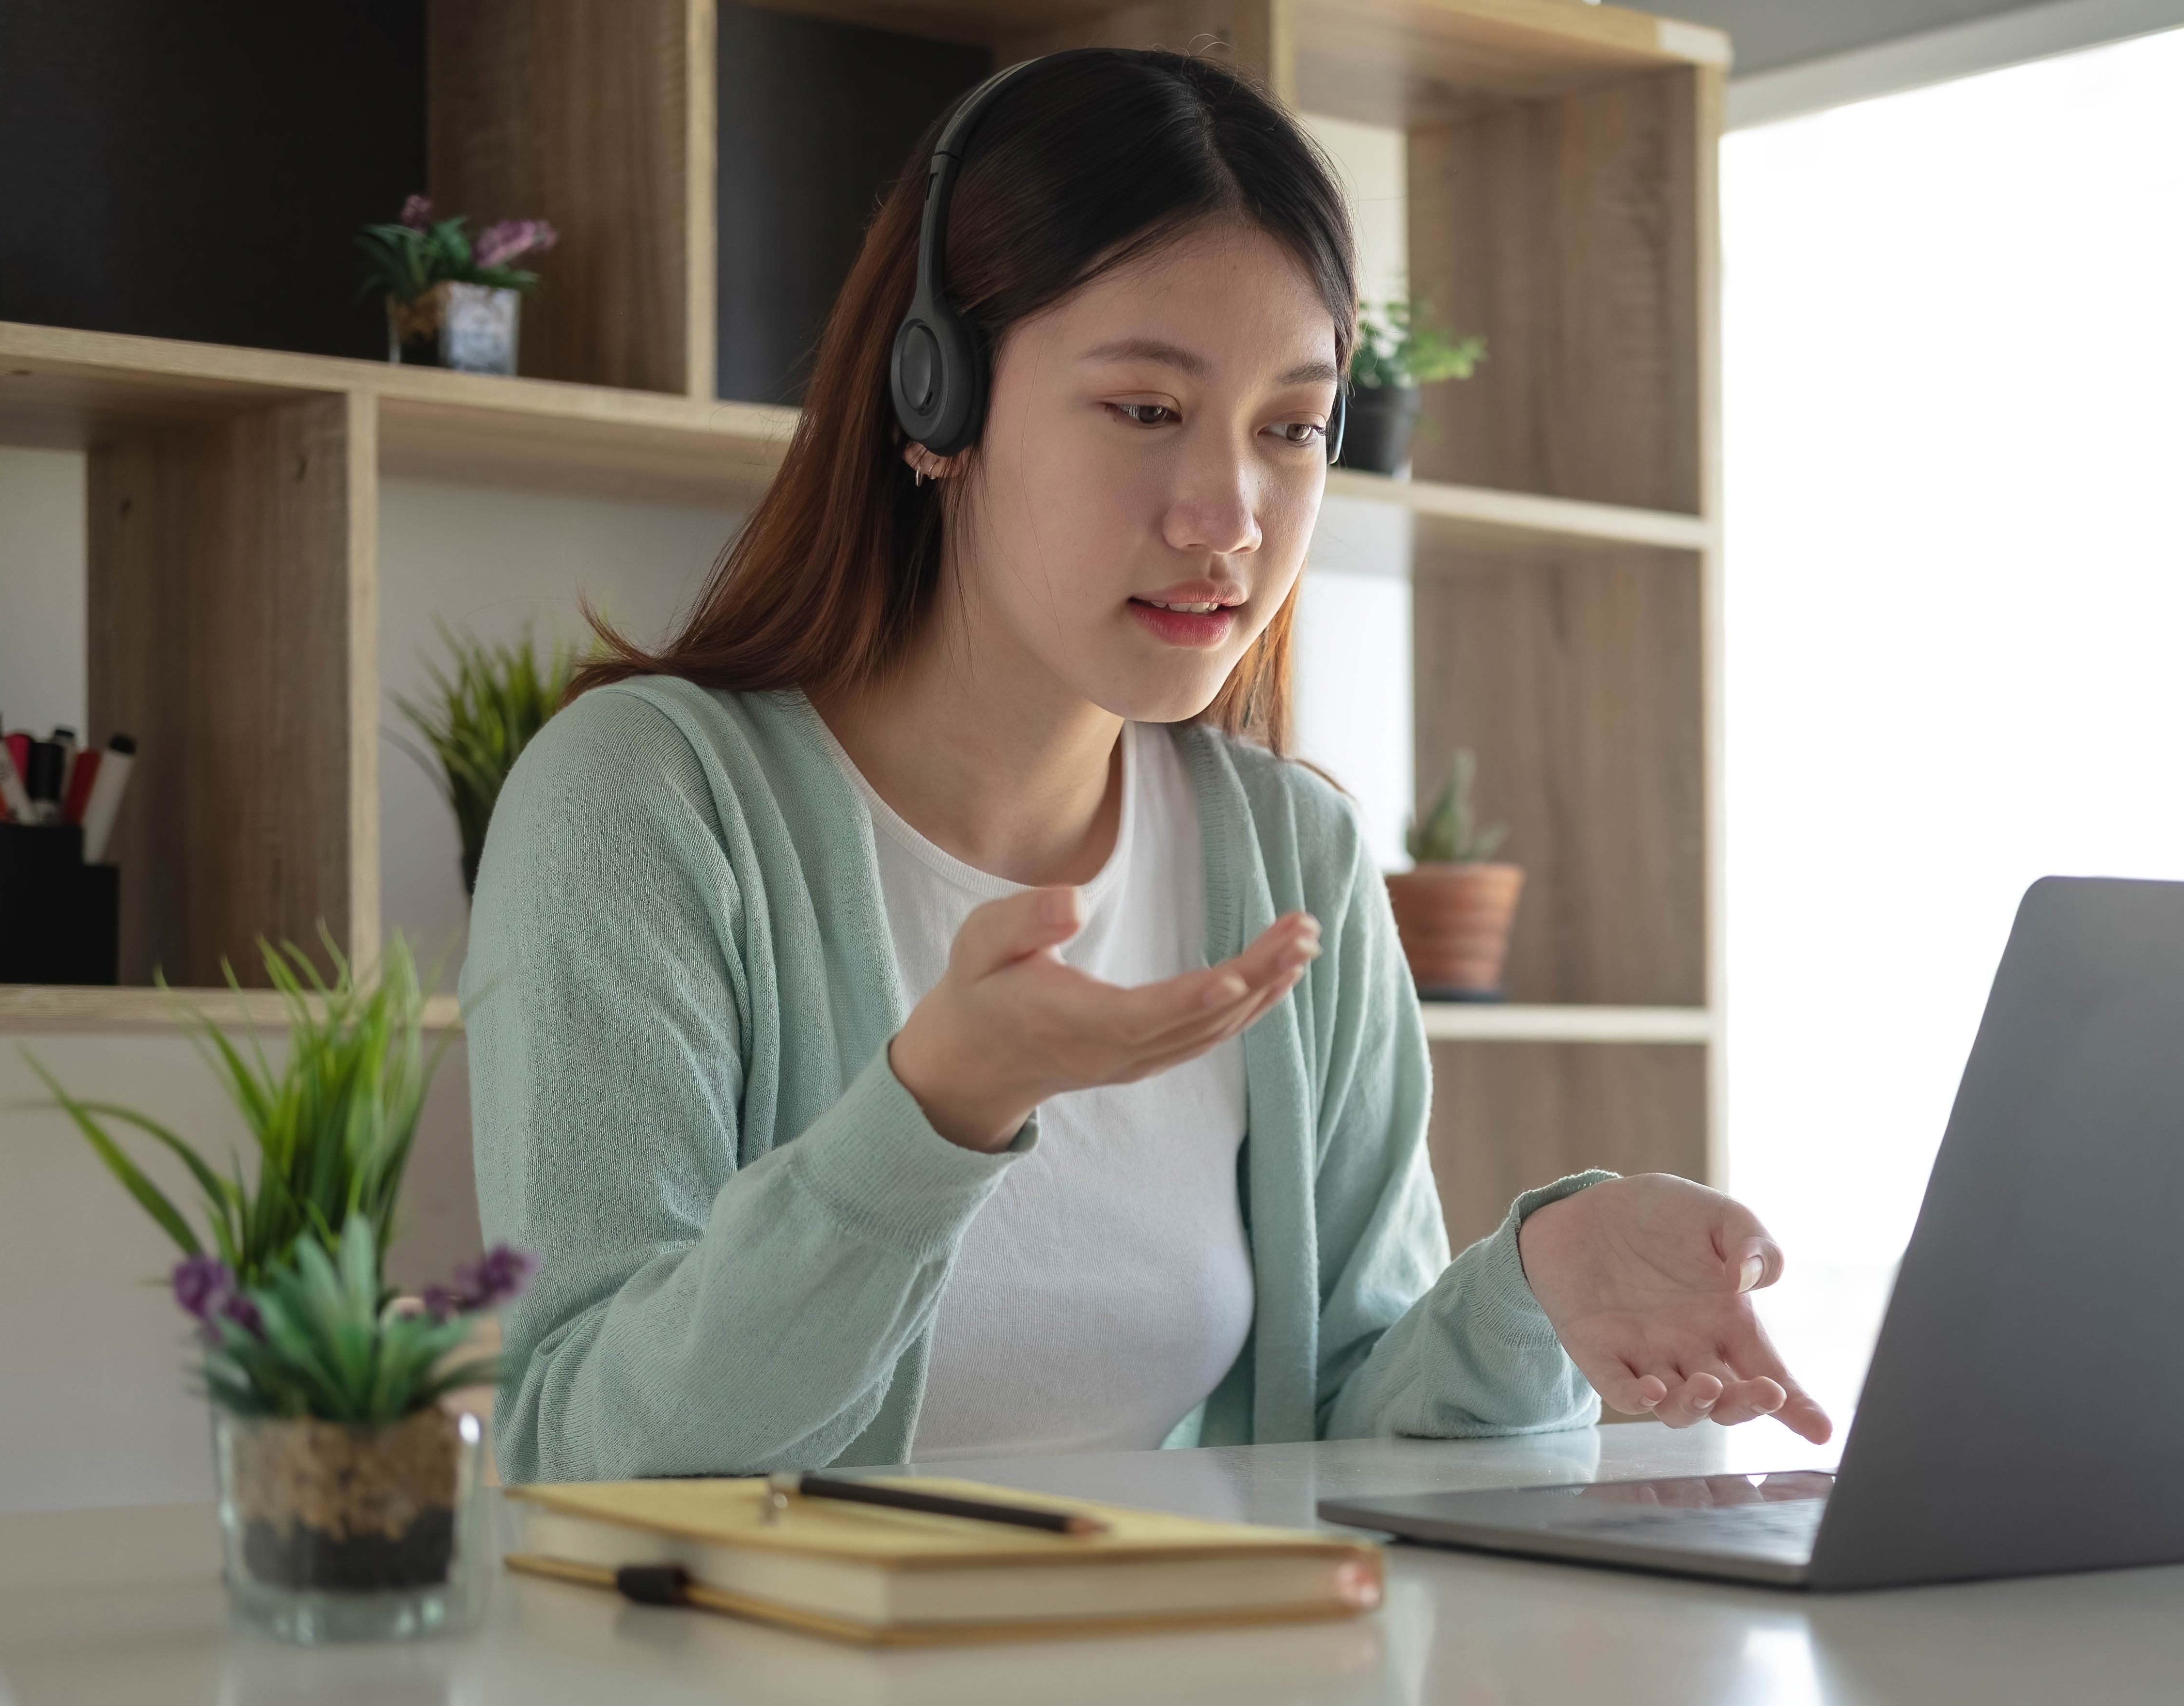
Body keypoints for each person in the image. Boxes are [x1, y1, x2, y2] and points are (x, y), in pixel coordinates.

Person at [465, 47, 1832, 1485]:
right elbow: (581, 1453)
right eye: (1146, 409)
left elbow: (1348, 1428)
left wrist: (1530, 1289)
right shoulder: (639, 801)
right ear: (936, 405)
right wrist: (931, 1114)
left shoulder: (1291, 853)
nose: (1229, 515)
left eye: (1293, 428)